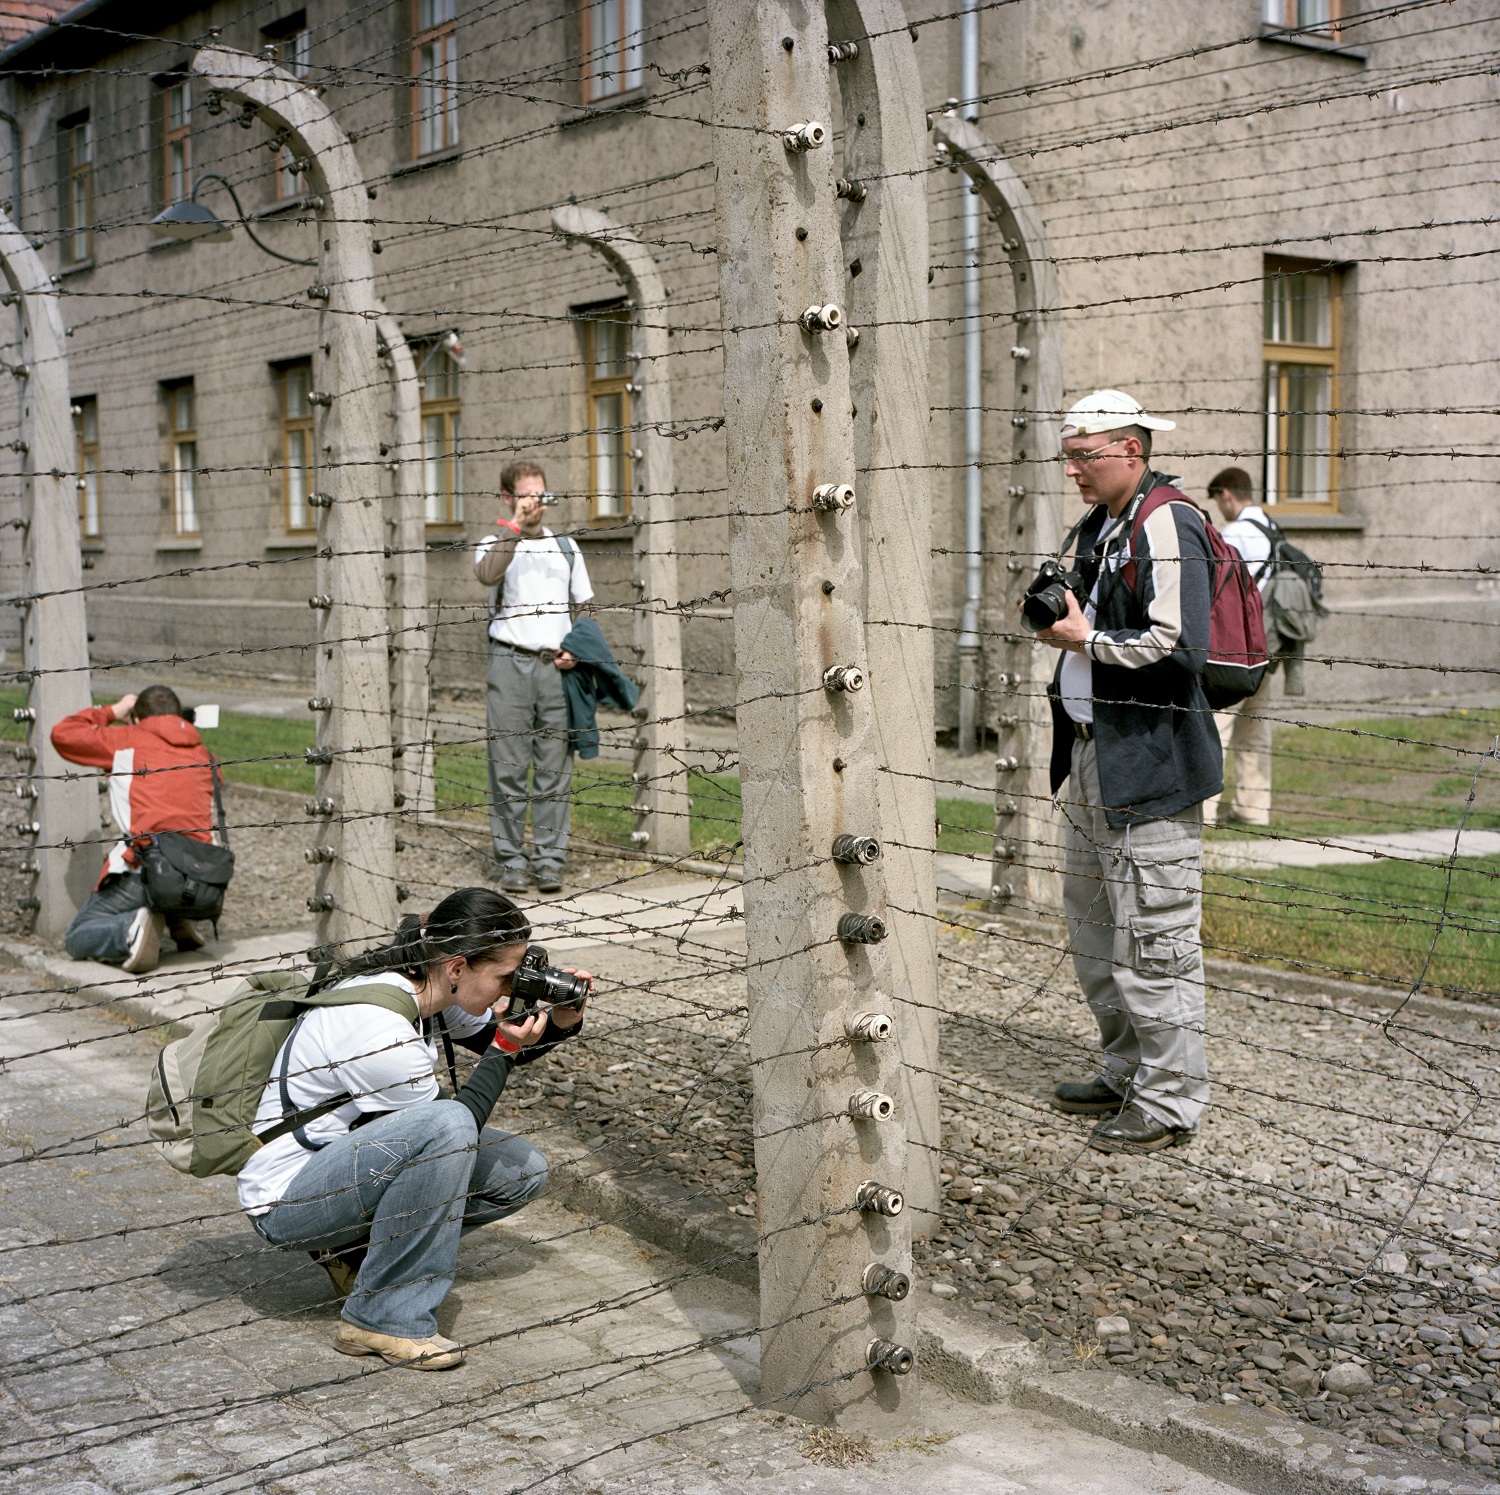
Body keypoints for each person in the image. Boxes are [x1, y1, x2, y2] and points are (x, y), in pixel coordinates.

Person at [237, 887, 589, 1369]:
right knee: (444, 1125)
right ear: (458, 967)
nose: (511, 988)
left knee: (520, 1170)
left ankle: (359, 1253)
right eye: (506, 976)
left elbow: (498, 1039)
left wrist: (561, 1021)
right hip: (288, 1198)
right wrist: (504, 1049)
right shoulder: (376, 1029)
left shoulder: (429, 986)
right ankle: (382, 1317)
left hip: (346, 1168)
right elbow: (452, 1132)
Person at [1032, 390, 1221, 1154]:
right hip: (1092, 750)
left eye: (1087, 454)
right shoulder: (1104, 523)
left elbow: (1179, 646)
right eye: (1068, 455)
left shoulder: (1167, 520)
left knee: (1155, 935)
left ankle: (1169, 1102)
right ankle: (1125, 1068)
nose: (1073, 469)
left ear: (1132, 450)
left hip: (1149, 762)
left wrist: (1083, 639)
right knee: (1095, 926)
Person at [474, 461, 594, 895]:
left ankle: (548, 860)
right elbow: (487, 574)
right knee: (507, 768)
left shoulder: (566, 546)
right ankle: (512, 862)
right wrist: (515, 527)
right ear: (508, 497)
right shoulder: (494, 542)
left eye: (540, 494)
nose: (536, 502)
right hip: (510, 662)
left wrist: (578, 649)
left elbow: (585, 605)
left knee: (553, 770)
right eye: (526, 495)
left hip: (558, 667)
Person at [50, 685, 219, 974]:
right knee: (178, 838)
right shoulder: (205, 754)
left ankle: (132, 931)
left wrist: (113, 711)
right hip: (201, 873)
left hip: (148, 867)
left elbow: (63, 734)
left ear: (137, 717)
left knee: (77, 936)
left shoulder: (126, 740)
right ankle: (175, 914)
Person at [1204, 466, 1275, 827]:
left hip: (1237, 649)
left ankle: (1204, 810)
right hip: (1272, 646)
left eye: (1218, 500)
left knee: (1216, 727)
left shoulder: (1234, 535)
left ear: (1226, 495)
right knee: (1256, 728)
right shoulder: (1272, 530)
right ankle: (1253, 807)